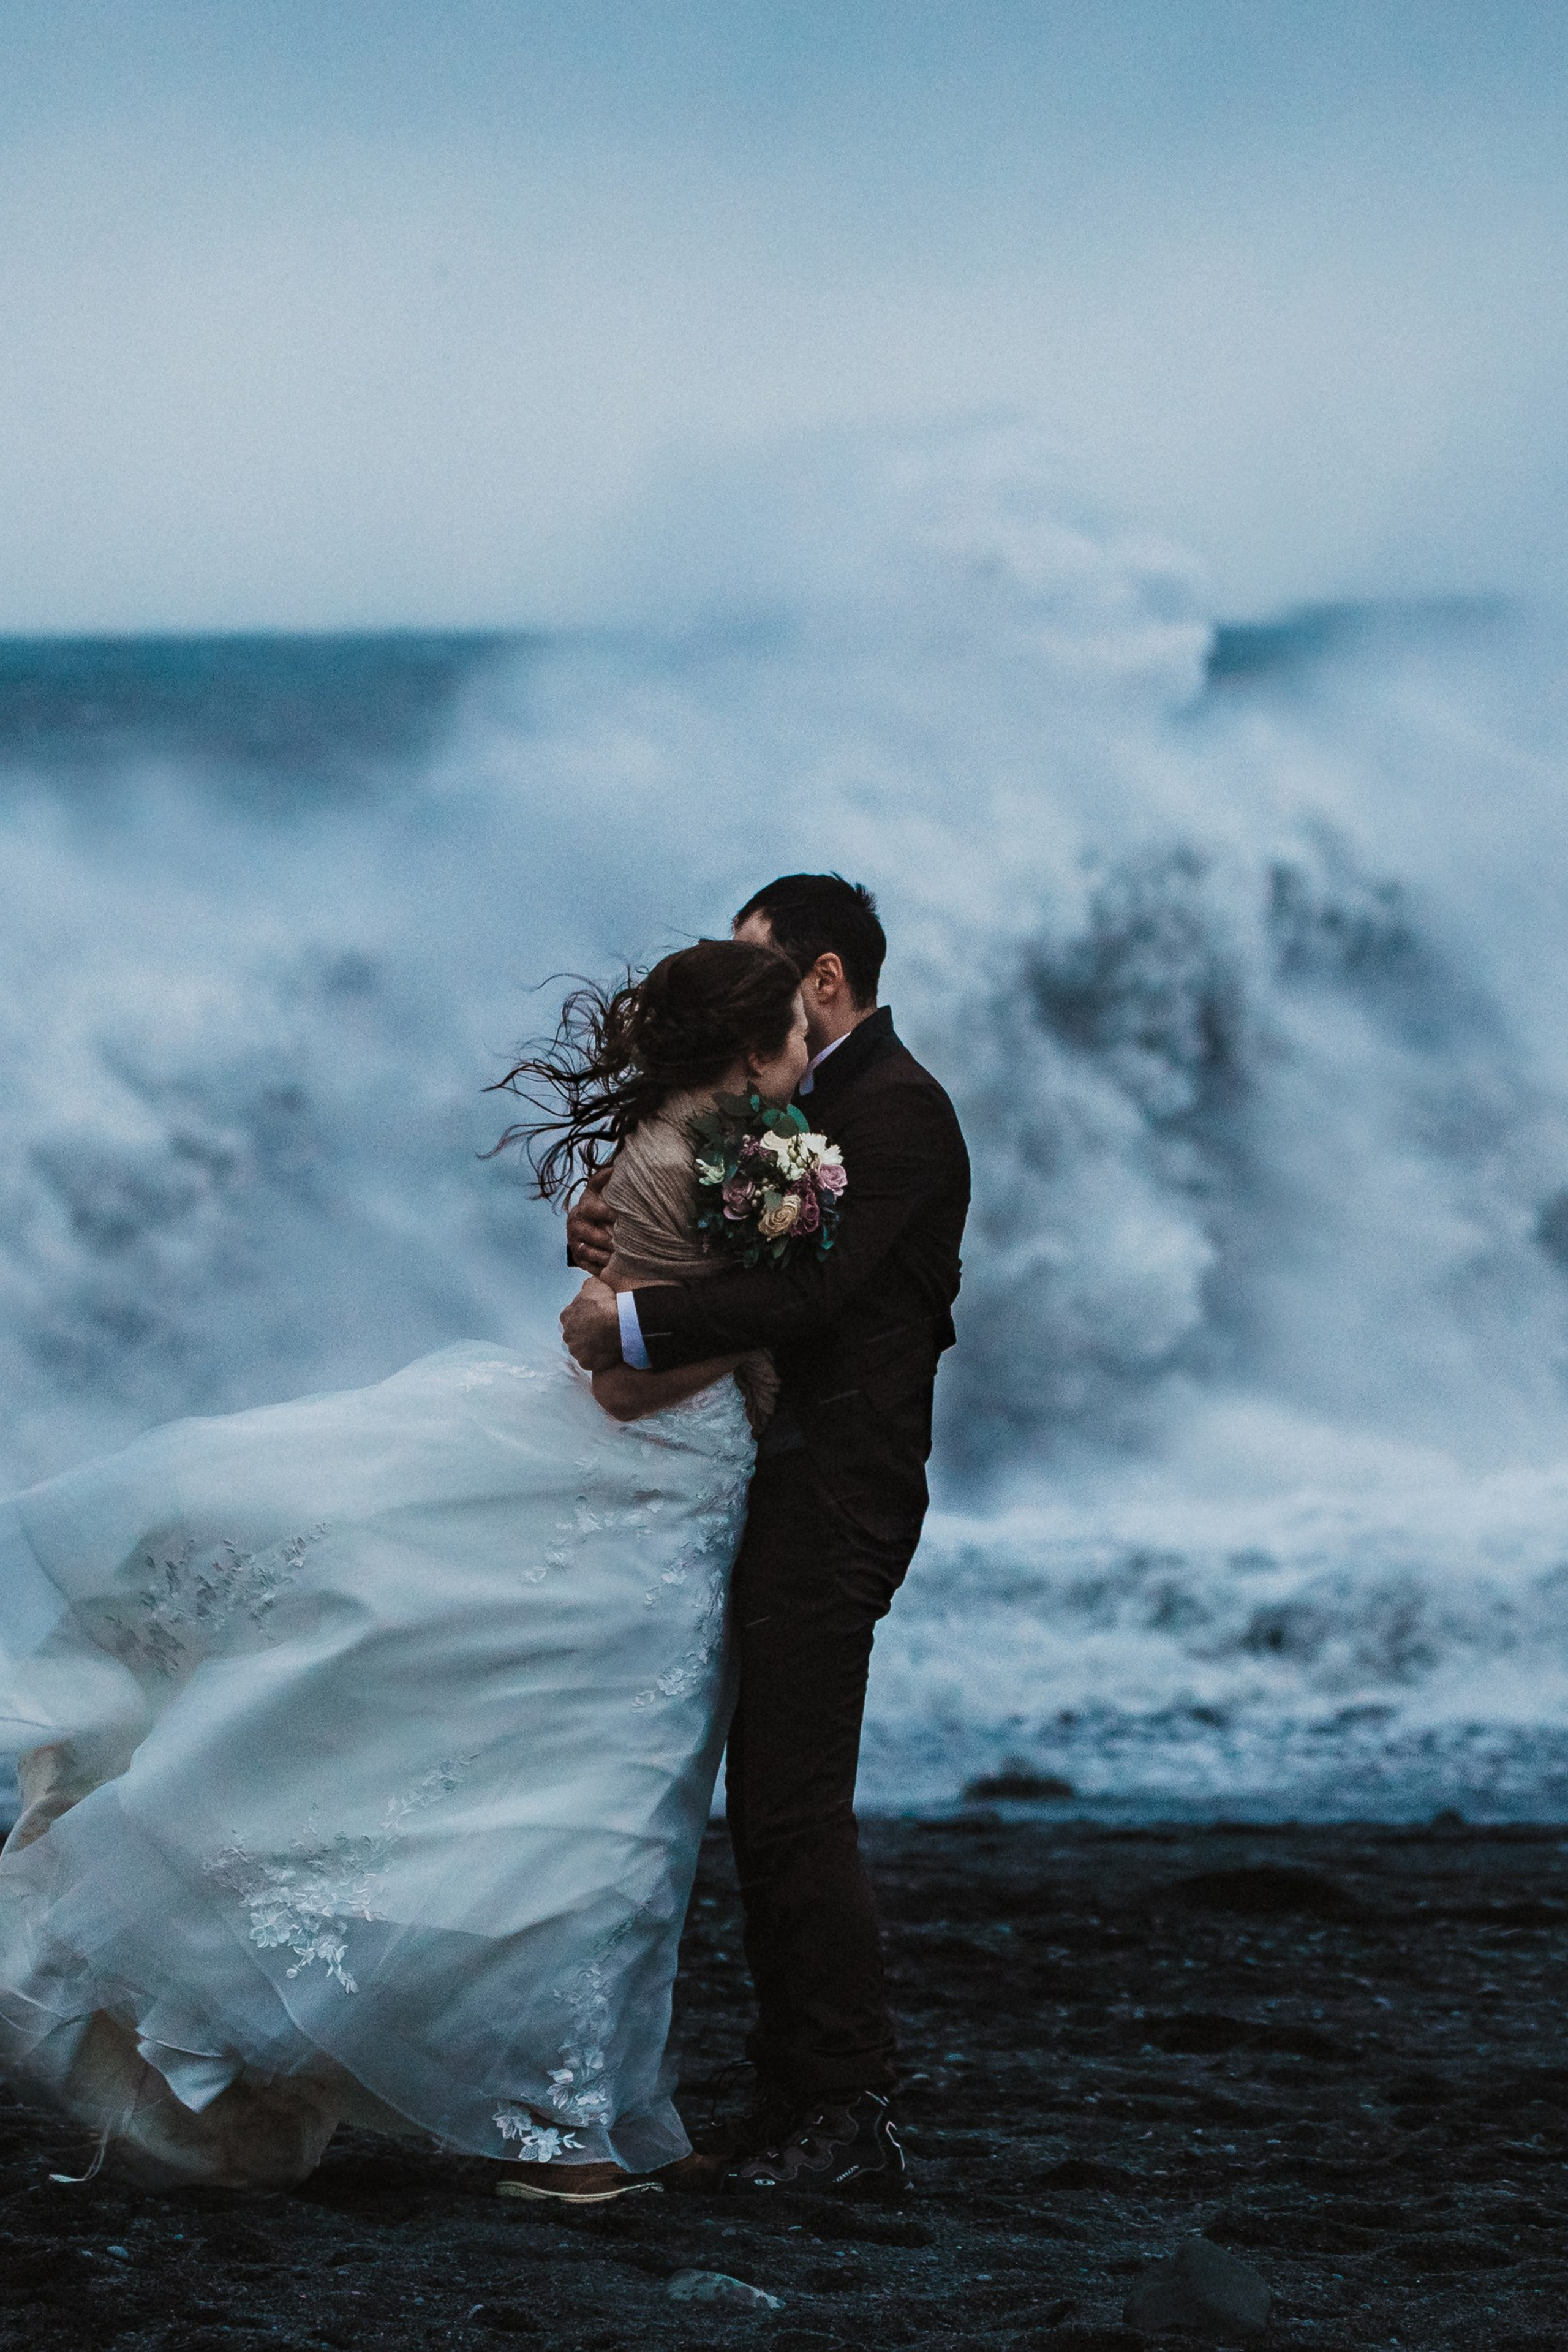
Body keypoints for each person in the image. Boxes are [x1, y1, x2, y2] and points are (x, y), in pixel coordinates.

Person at [0, 940, 809, 2198]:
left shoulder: (713, 1154)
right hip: (644, 1492)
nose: (809, 1063)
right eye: (796, 1043)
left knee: (613, 1809)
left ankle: (581, 2123)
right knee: (608, 1811)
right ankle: (563, 2141)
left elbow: (642, 1310)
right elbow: (623, 1379)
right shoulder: (699, 1163)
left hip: (672, 1503)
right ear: (753, 1054)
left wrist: (740, 1295)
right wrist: (767, 1308)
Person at [562, 874, 970, 2195]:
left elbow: (821, 1292)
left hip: (838, 1490)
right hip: (759, 1480)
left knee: (795, 1808)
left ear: (827, 981)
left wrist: (626, 1325)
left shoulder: (895, 1112)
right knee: (765, 1811)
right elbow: (724, 1243)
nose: (740, 998)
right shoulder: (784, 1108)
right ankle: (794, 2096)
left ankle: (847, 2109)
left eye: (760, 974)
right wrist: (622, 1238)